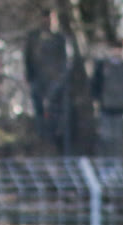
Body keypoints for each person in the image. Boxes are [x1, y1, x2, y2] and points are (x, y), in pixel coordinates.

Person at [25, 8, 75, 150]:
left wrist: (58, 82)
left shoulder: (60, 39)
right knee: (40, 114)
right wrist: (31, 78)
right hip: (38, 82)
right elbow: (28, 59)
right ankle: (42, 142)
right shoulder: (33, 37)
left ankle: (56, 144)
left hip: (56, 84)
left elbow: (66, 63)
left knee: (56, 115)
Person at [91, 43, 123, 156]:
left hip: (121, 107)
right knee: (105, 136)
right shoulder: (102, 66)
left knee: (118, 137)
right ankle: (104, 160)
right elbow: (96, 85)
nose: (117, 52)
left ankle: (116, 160)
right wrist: (96, 101)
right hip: (106, 106)